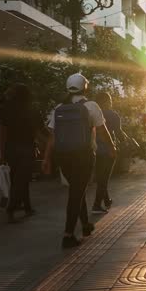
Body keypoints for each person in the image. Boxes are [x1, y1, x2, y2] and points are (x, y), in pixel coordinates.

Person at [42, 73, 117, 249]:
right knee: (76, 192)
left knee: (77, 187)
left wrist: (46, 158)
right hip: (83, 155)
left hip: (63, 156)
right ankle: (68, 235)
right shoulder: (91, 106)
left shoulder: (59, 108)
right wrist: (112, 147)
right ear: (85, 87)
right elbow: (102, 130)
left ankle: (85, 225)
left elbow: (52, 137)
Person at [0, 84, 46, 223]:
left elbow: (3, 133)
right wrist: (49, 143)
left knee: (18, 179)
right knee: (21, 180)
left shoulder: (4, 109)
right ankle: (11, 208)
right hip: (27, 149)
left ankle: (27, 207)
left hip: (11, 149)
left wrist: (2, 153)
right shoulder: (33, 110)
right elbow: (40, 132)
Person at [93, 92, 122, 213]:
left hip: (94, 150)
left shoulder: (93, 114)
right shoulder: (113, 115)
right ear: (108, 101)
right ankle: (96, 205)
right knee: (104, 178)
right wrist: (124, 141)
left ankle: (106, 200)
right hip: (108, 150)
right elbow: (118, 132)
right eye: (110, 100)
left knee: (101, 177)